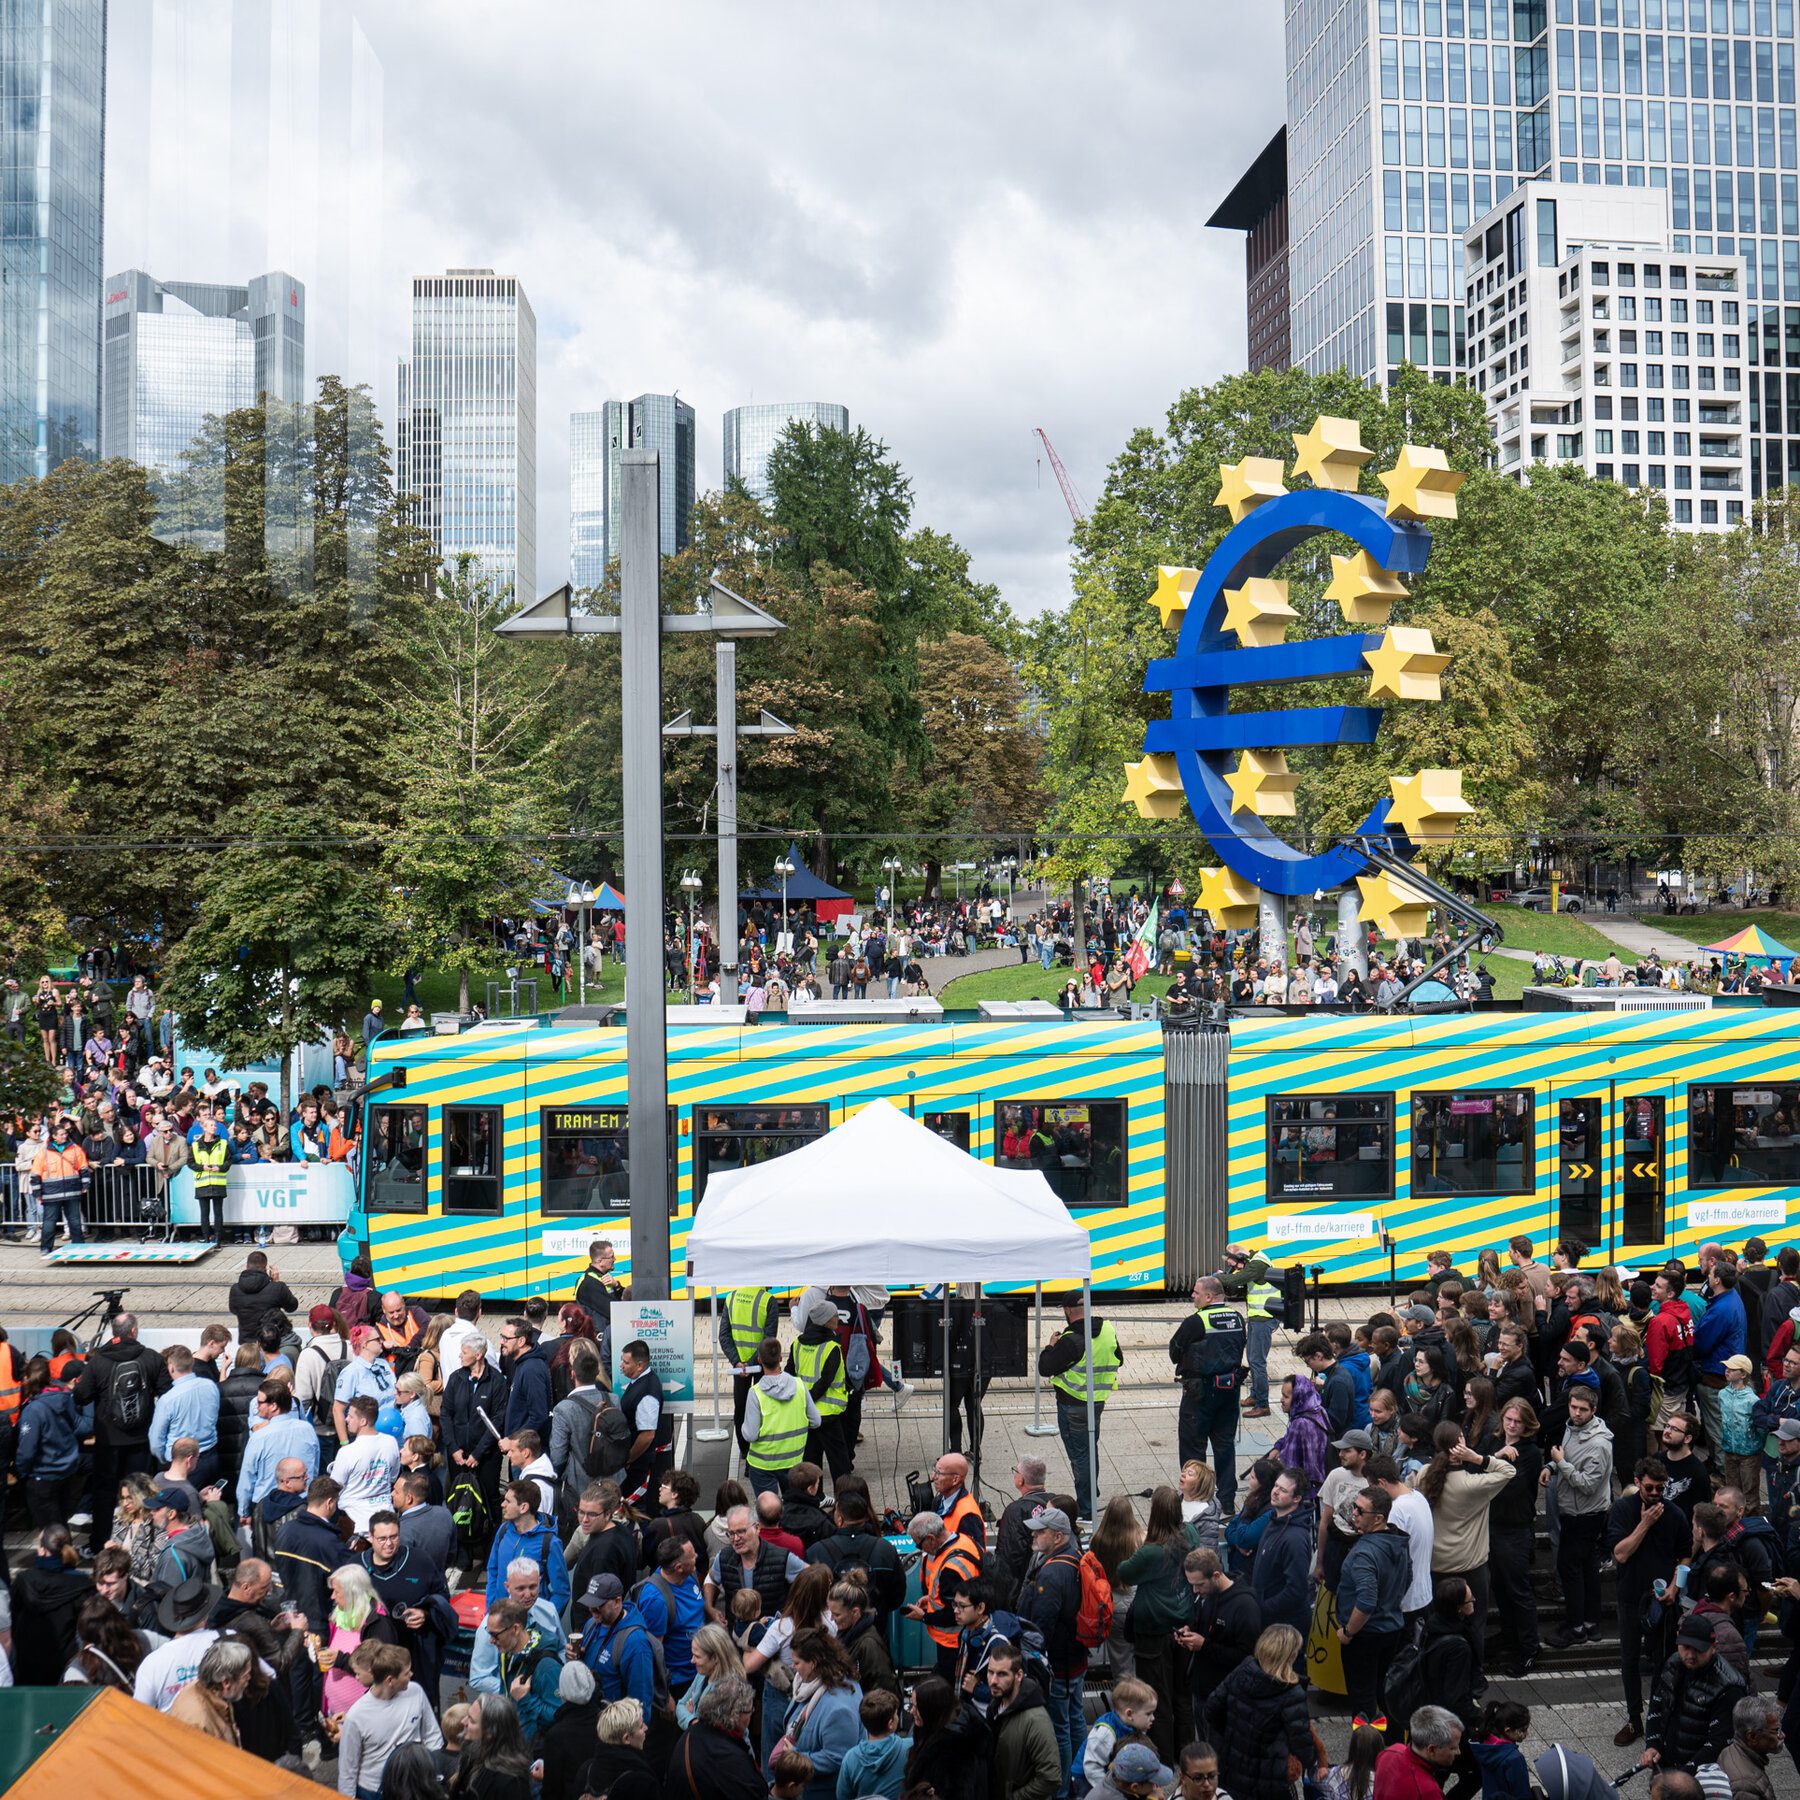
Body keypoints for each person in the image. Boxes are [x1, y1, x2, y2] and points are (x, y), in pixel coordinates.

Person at [1608, 1456, 1691, 1749]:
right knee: (1629, 1659)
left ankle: (1658, 1714)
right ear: (1637, 1483)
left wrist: (1675, 1587)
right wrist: (1644, 1523)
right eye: (1649, 1488)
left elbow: (1685, 1555)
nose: (1655, 1494)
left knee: (1662, 1661)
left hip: (1662, 1600)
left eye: (1660, 1488)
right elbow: (1621, 1554)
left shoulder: (1675, 1514)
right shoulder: (1623, 1510)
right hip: (1631, 1596)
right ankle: (1634, 1718)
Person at [73, 1308, 172, 1551]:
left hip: (108, 1440)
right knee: (140, 1490)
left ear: (114, 1333)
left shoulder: (98, 1362)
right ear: (134, 1332)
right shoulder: (150, 1358)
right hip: (140, 1438)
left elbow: (81, 1396)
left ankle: (101, 1542)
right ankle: (142, 1541)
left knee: (104, 1493)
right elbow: (167, 1392)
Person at [1115, 1485, 1201, 1758]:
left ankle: (1162, 1757)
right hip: (1184, 1625)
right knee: (1183, 1696)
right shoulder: (1190, 1534)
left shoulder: (1151, 1552)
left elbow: (1124, 1572)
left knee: (1157, 1698)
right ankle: (1186, 1753)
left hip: (1153, 1631)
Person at [1016, 1503, 1089, 1795]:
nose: (1034, 1536)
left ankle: (1061, 1790)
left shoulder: (1052, 1573)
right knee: (1076, 1718)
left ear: (1058, 1537)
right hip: (1076, 1659)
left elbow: (1041, 1627)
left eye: (1040, 1532)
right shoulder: (1074, 1555)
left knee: (1059, 1727)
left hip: (1058, 1665)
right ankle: (1080, 1779)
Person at [1203, 1623, 1316, 1800]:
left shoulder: (1243, 1670)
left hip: (1231, 1770)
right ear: (1290, 1656)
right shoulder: (1291, 1693)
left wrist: (1232, 1734)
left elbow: (1211, 1709)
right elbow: (1303, 1745)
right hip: (1268, 1781)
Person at [1335, 1482, 1411, 1730]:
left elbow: (1366, 1602)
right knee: (1383, 1694)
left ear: (1378, 1518)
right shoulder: (1397, 1540)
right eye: (1354, 1507)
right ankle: (1390, 1742)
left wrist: (1348, 1632)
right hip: (1391, 1628)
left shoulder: (1365, 1553)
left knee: (1363, 1702)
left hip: (1365, 1637)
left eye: (1360, 1510)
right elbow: (1407, 1578)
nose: (1354, 1513)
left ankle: (1367, 1748)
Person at [1039, 1291, 1120, 1522]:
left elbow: (1045, 1368)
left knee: (1080, 1457)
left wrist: (1050, 1346)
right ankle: (1091, 1495)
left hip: (1072, 1405)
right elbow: (1119, 1359)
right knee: (1089, 1450)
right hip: (1097, 1401)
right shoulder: (1107, 1329)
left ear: (1067, 1310)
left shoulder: (1070, 1340)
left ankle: (1086, 1508)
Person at [1169, 1276, 1246, 1511]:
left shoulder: (1196, 1321)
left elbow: (1174, 1351)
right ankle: (1227, 1501)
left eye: (1196, 1293)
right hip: (1229, 1390)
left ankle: (1195, 1500)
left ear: (1209, 1297)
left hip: (1199, 1394)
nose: (1193, 1296)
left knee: (1193, 1448)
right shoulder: (1237, 1317)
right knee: (1225, 1446)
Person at [1547, 1379, 1613, 1647]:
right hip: (1575, 1510)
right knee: (1586, 1568)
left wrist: (1560, 1464)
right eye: (1573, 1407)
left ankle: (1576, 1627)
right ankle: (1590, 1623)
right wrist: (1552, 1466)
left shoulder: (1598, 1444)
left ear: (1593, 1410)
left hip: (1584, 1514)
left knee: (1570, 1568)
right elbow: (1568, 1457)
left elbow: (1587, 1484)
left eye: (1583, 1409)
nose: (1576, 1413)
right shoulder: (1572, 1428)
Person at [338, 1642, 443, 1799]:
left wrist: (434, 1774)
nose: (411, 1674)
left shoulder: (416, 1691)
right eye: (406, 1673)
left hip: (412, 1786)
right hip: (373, 1793)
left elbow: (432, 1736)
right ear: (389, 1680)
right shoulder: (356, 1716)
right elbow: (348, 1768)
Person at [1643, 1615, 1745, 1774]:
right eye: (1686, 1647)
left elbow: (1718, 1742)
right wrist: (1653, 1744)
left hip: (1701, 1775)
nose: (1690, 1655)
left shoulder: (1729, 1687)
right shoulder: (1672, 1663)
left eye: (1698, 1649)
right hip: (1665, 1765)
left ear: (1714, 1647)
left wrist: (1686, 1773)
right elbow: (1657, 1707)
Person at [782, 1627, 863, 1799]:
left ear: (813, 1663)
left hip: (824, 1791)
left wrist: (796, 1757)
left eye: (796, 1663)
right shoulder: (814, 1682)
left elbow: (836, 1758)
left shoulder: (839, 1709)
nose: (792, 1667)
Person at [667, 1674, 764, 1800]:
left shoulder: (692, 1733)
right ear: (735, 1715)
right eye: (750, 1711)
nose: (751, 1714)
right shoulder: (729, 1756)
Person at [743, 1337, 820, 1497]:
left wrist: (744, 1426)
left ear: (759, 1360)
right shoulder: (799, 1385)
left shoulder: (755, 1393)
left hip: (763, 1464)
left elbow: (750, 1435)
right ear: (780, 1358)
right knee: (794, 1505)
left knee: (769, 1508)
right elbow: (816, 1421)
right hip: (794, 1461)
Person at [787, 1296, 852, 1482]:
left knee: (811, 1462)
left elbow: (789, 1375)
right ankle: (845, 1494)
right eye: (835, 1316)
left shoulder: (797, 1344)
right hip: (828, 1415)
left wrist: (803, 1404)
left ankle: (815, 1495)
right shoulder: (832, 1347)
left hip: (807, 1414)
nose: (838, 1319)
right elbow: (825, 1382)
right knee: (840, 1464)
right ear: (826, 1320)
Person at [333, 1395, 404, 1536]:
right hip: (386, 1522)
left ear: (363, 1421)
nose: (346, 1419)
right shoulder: (391, 1442)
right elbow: (393, 1477)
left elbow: (334, 1487)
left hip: (355, 1525)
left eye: (350, 1416)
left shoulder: (347, 1452)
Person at [447, 1691, 535, 1800]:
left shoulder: (511, 1783)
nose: (463, 1722)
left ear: (490, 1733)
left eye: (471, 1720)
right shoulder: (471, 1759)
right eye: (467, 1716)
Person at [169, 1634, 253, 1746]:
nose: (249, 1678)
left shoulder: (212, 1694)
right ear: (226, 1683)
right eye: (245, 1675)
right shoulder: (197, 1722)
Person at [617, 1336, 671, 1504]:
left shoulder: (647, 1394)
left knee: (636, 1506)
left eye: (626, 1362)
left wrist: (629, 1458)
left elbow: (647, 1435)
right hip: (636, 1461)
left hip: (638, 1464)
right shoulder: (640, 1382)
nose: (621, 1366)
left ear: (640, 1365)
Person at [1375, 1707, 1463, 1800]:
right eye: (1453, 1748)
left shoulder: (1390, 1752)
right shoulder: (1428, 1791)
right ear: (1431, 1749)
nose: (1458, 1752)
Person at [837, 1687, 909, 1800]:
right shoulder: (909, 1748)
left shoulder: (850, 1759)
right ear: (890, 1723)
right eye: (896, 1714)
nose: (897, 1717)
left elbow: (842, 1796)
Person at [995, 1454, 1051, 1592]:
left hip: (1026, 1586)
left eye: (1016, 1471)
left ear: (1021, 1480)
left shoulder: (1015, 1511)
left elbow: (1009, 1555)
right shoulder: (1057, 1503)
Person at [1718, 1694, 1782, 1800]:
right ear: (1752, 1736)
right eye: (1775, 1731)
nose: (1782, 1735)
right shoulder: (1745, 1787)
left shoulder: (1728, 1751)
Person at [228, 1250, 299, 1344]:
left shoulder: (235, 1289)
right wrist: (277, 1283)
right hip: (270, 1343)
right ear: (265, 1268)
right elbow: (292, 1306)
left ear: (247, 1266)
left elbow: (233, 1310)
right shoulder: (277, 1288)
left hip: (247, 1344)